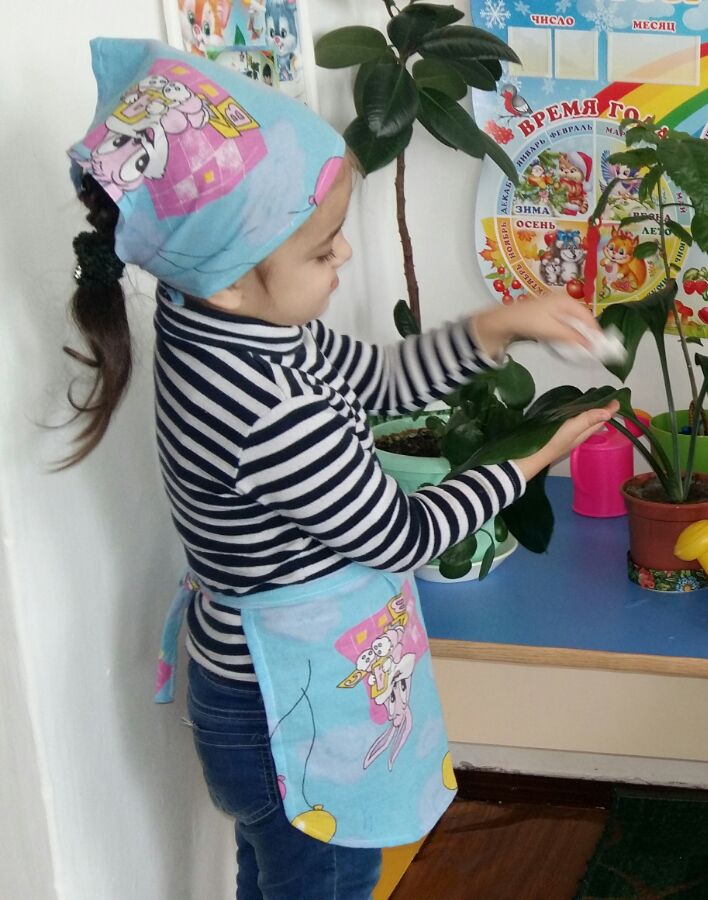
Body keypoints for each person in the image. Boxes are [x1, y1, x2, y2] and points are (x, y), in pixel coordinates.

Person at [59, 39, 616, 898]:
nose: (344, 258)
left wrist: (497, 325)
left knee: (283, 880)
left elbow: (380, 380)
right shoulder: (262, 407)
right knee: (324, 881)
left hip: (281, 688)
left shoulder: (233, 319)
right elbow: (403, 535)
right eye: (322, 252)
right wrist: (528, 461)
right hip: (286, 713)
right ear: (233, 280)